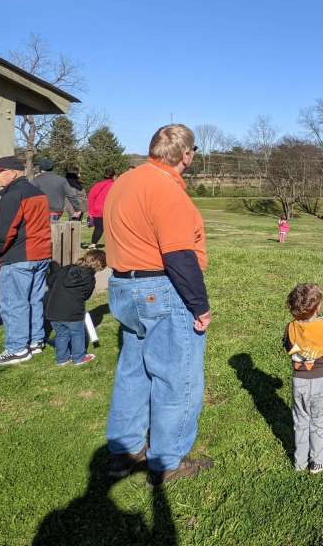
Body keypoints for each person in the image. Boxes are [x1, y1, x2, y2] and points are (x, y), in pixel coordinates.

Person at [104, 125, 213, 487]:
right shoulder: (166, 190)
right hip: (160, 288)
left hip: (123, 286)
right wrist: (199, 306)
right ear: (186, 155)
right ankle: (166, 461)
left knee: (134, 370)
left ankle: (125, 449)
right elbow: (179, 255)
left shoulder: (126, 181)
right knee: (176, 377)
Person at [0, 156, 53, 366]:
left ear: (13, 172)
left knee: (14, 303)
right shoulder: (38, 192)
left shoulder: (13, 195)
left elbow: (5, 231)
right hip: (40, 254)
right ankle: (34, 341)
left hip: (19, 256)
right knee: (34, 300)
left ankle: (17, 348)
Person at [283, 283, 323, 473]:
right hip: (320, 382)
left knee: (301, 421)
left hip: (299, 381)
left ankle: (299, 463)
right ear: (318, 307)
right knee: (318, 422)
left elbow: (288, 346)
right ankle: (318, 461)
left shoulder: (290, 328)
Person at [45, 249, 106, 366]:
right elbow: (86, 295)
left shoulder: (66, 268)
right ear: (99, 266)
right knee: (77, 333)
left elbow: (51, 280)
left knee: (61, 334)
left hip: (53, 310)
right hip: (73, 312)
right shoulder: (90, 278)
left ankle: (62, 359)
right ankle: (79, 358)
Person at [86, 168, 116, 247]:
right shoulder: (114, 185)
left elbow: (91, 197)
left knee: (98, 228)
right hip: (108, 210)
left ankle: (93, 244)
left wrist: (91, 212)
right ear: (114, 176)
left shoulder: (98, 185)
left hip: (97, 210)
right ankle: (113, 245)